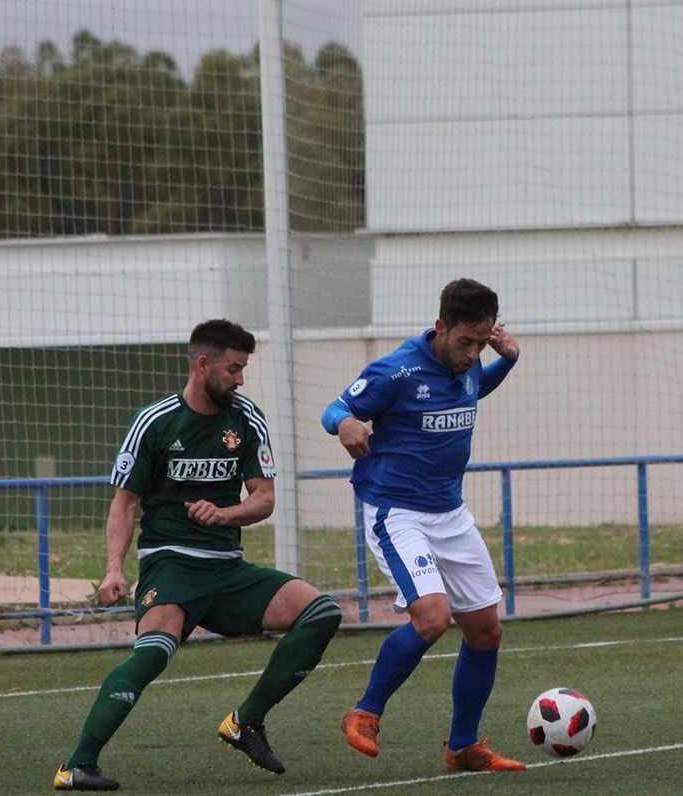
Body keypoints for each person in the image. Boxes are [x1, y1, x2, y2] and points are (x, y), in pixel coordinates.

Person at [54, 319, 343, 791]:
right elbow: (124, 502)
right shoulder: (155, 422)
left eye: (243, 369)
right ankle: (77, 766)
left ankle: (245, 722)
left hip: (228, 570)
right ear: (203, 364)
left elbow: (264, 498)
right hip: (170, 564)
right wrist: (113, 570)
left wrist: (226, 514)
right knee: (153, 653)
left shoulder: (246, 418)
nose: (240, 379)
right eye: (233, 369)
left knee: (321, 612)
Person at [324, 278, 526, 773]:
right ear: (441, 328)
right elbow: (338, 407)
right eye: (466, 342)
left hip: (450, 513)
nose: (473, 352)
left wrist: (509, 360)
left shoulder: (470, 364)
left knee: (486, 631)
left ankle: (463, 747)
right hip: (398, 512)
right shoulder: (397, 369)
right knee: (433, 618)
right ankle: (365, 712)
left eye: (483, 343)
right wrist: (344, 424)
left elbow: (474, 390)